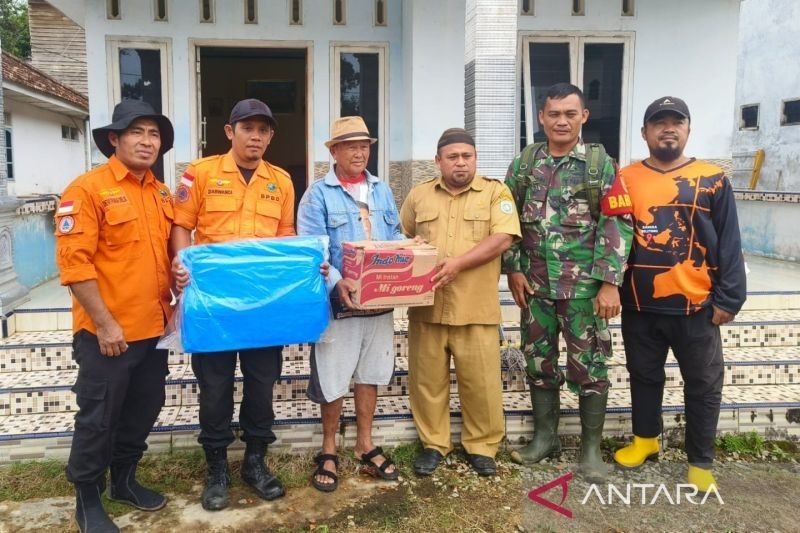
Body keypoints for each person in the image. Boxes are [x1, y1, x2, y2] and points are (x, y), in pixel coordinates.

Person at [613, 96, 746, 492]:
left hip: (697, 306)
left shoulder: (712, 178)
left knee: (703, 384)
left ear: (688, 130)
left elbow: (728, 240)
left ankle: (701, 460)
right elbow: (613, 236)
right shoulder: (625, 178)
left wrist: (729, 299)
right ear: (644, 132)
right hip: (640, 303)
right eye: (659, 123)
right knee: (644, 376)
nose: (667, 128)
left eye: (676, 122)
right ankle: (645, 440)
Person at [503, 83, 633, 482]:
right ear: (541, 117)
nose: (562, 121)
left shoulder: (600, 165)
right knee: (539, 364)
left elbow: (618, 222)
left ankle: (591, 452)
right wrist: (513, 269)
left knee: (589, 367)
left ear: (583, 117)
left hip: (584, 292)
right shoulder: (525, 164)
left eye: (570, 114)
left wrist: (610, 283)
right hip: (536, 290)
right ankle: (545, 439)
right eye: (554, 114)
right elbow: (505, 220)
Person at [56, 99, 175, 532]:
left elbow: (166, 257)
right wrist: (105, 324)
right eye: (137, 132)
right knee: (99, 416)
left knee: (144, 408)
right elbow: (75, 266)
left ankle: (123, 480)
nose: (147, 142)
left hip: (154, 330)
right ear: (114, 139)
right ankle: (87, 497)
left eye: (154, 134)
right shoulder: (86, 190)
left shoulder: (161, 192)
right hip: (109, 334)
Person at [170, 99, 294, 510]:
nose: (255, 136)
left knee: (262, 384)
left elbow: (286, 242)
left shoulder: (281, 180)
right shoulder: (200, 173)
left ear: (271, 136)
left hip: (262, 306)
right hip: (213, 307)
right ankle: (217, 467)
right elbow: (182, 226)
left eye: (263, 129)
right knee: (215, 387)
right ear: (230, 131)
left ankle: (255, 462)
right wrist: (181, 265)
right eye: (247, 128)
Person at [400, 127, 521, 477]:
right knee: (427, 382)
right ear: (438, 161)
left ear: (475, 159)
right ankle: (433, 444)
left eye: (467, 156)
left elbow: (503, 238)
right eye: (452, 156)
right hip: (427, 307)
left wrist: (458, 264)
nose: (461, 162)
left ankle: (482, 446)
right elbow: (404, 236)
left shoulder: (495, 193)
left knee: (481, 382)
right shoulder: (419, 195)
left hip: (475, 307)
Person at [297, 116, 406, 491]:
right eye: (350, 146)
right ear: (334, 151)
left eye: (364, 145)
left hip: (379, 302)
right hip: (339, 304)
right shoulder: (317, 194)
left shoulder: (382, 191)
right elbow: (313, 251)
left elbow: (395, 236)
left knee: (372, 373)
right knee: (332, 375)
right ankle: (328, 448)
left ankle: (365, 443)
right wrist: (335, 279)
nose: (359, 152)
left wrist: (411, 251)